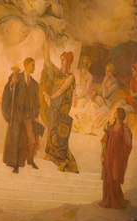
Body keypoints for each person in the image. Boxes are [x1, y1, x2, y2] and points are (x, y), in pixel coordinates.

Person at [41, 36, 79, 173]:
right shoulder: (57, 72)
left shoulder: (70, 77)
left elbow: (63, 89)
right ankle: (49, 154)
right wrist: (47, 43)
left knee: (58, 132)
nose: (61, 61)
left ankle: (61, 158)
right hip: (53, 104)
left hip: (60, 106)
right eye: (61, 59)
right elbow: (47, 61)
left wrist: (50, 97)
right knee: (51, 128)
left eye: (63, 59)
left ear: (68, 61)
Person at [2, 57, 41, 173]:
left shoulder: (35, 84)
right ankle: (15, 165)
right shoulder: (16, 77)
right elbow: (8, 91)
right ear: (27, 65)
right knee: (16, 139)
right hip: (17, 115)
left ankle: (30, 160)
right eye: (33, 65)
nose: (34, 67)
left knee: (31, 140)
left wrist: (36, 116)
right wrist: (11, 84)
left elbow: (36, 102)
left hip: (28, 116)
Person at [99, 107, 132, 209]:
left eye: (116, 112)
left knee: (115, 177)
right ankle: (108, 200)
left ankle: (116, 200)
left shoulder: (124, 129)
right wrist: (102, 154)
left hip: (117, 156)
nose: (114, 114)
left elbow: (128, 143)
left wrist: (127, 131)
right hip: (109, 154)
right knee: (108, 176)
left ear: (120, 115)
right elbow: (105, 142)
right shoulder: (110, 127)